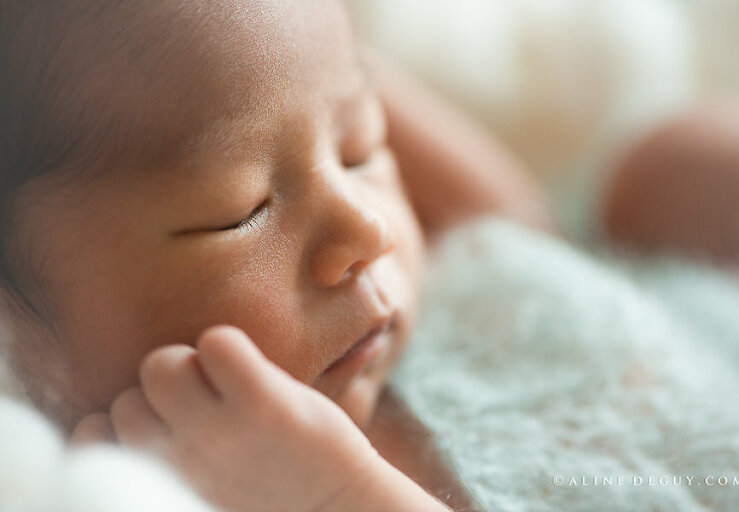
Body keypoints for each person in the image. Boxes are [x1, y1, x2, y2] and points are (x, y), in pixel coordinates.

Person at [0, 1, 549, 510]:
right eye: (240, 214)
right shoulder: (145, 488)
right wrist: (341, 495)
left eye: (359, 149)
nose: (369, 231)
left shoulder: (454, 274)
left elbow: (521, 226)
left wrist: (325, 64)